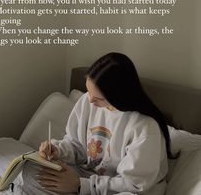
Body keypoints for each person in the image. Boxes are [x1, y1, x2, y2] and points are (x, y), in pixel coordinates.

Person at [22, 52, 172, 195]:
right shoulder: (87, 101)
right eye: (89, 92)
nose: (90, 101)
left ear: (118, 95)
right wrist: (58, 150)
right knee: (31, 168)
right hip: (87, 177)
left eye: (98, 98)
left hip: (119, 188)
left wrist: (79, 185)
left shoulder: (144, 127)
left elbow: (134, 184)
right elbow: (76, 146)